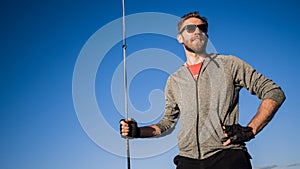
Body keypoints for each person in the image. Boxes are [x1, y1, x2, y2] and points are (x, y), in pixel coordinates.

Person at [120, 11, 285, 169]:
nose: (197, 31)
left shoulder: (229, 64)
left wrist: (251, 129)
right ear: (179, 38)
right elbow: (166, 124)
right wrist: (137, 131)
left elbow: (273, 92)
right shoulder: (174, 81)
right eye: (190, 28)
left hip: (228, 156)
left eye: (202, 28)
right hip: (187, 161)